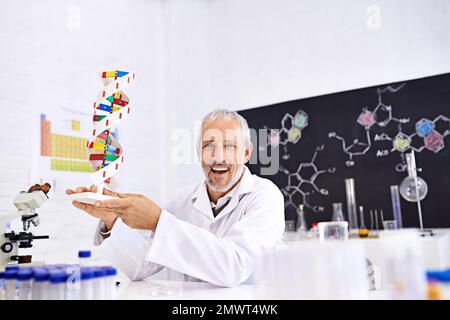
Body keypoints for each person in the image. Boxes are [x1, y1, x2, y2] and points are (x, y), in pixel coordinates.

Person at [66, 109, 285, 287]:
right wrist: (111, 220)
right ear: (199, 152)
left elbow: (235, 266)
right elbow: (142, 266)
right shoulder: (183, 199)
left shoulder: (265, 197)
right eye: (209, 145)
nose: (218, 156)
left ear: (246, 153)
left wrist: (157, 221)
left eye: (229, 145)